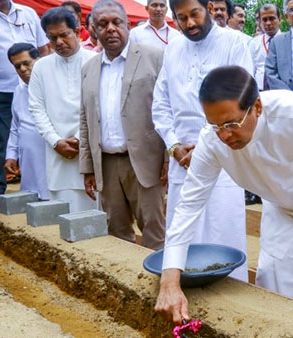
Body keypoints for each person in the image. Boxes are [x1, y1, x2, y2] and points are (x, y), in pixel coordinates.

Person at [155, 66, 293, 324]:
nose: (224, 135)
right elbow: (188, 206)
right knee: (271, 287)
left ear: (257, 107)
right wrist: (170, 279)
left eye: (231, 124)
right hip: (277, 213)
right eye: (215, 125)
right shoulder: (212, 140)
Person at [152, 0, 252, 281]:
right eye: (181, 18)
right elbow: (160, 104)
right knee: (184, 231)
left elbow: (241, 101)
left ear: (209, 7)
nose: (190, 24)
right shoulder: (172, 49)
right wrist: (173, 144)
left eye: (194, 14)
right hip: (181, 159)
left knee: (223, 232)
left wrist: (206, 147)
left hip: (224, 154)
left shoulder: (235, 44)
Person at [80, 0, 166, 250]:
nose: (111, 29)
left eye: (116, 22)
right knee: (116, 232)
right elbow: (84, 119)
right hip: (106, 165)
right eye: (102, 24)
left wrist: (168, 158)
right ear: (93, 29)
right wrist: (87, 166)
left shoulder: (155, 58)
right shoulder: (89, 68)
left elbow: (167, 110)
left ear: (128, 25)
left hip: (145, 161)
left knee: (154, 231)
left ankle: (156, 285)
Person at [29, 7, 97, 212]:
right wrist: (55, 141)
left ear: (77, 32)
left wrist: (78, 139)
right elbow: (36, 108)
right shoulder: (41, 67)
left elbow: (98, 107)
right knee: (63, 215)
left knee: (94, 216)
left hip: (89, 152)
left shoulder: (95, 61)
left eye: (64, 35)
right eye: (52, 38)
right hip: (57, 153)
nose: (58, 42)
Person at [0, 0, 49, 202]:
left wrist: (46, 73)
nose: (23, 68)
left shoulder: (28, 13)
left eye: (26, 64)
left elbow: (43, 49)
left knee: (37, 134)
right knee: (2, 137)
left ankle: (44, 189)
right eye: (20, 65)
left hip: (36, 84)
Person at [4, 43, 49, 200]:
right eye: (17, 66)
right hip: (28, 159)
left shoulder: (53, 85)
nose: (22, 69)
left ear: (38, 59)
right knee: (32, 199)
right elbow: (15, 127)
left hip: (51, 154)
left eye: (26, 63)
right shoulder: (18, 91)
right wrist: (11, 155)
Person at [248, 4, 281, 91]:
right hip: (260, 91)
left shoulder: (288, 41)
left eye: (272, 18)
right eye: (264, 20)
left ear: (279, 19)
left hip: (282, 91)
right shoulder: (254, 43)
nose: (268, 23)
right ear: (260, 22)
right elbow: (250, 69)